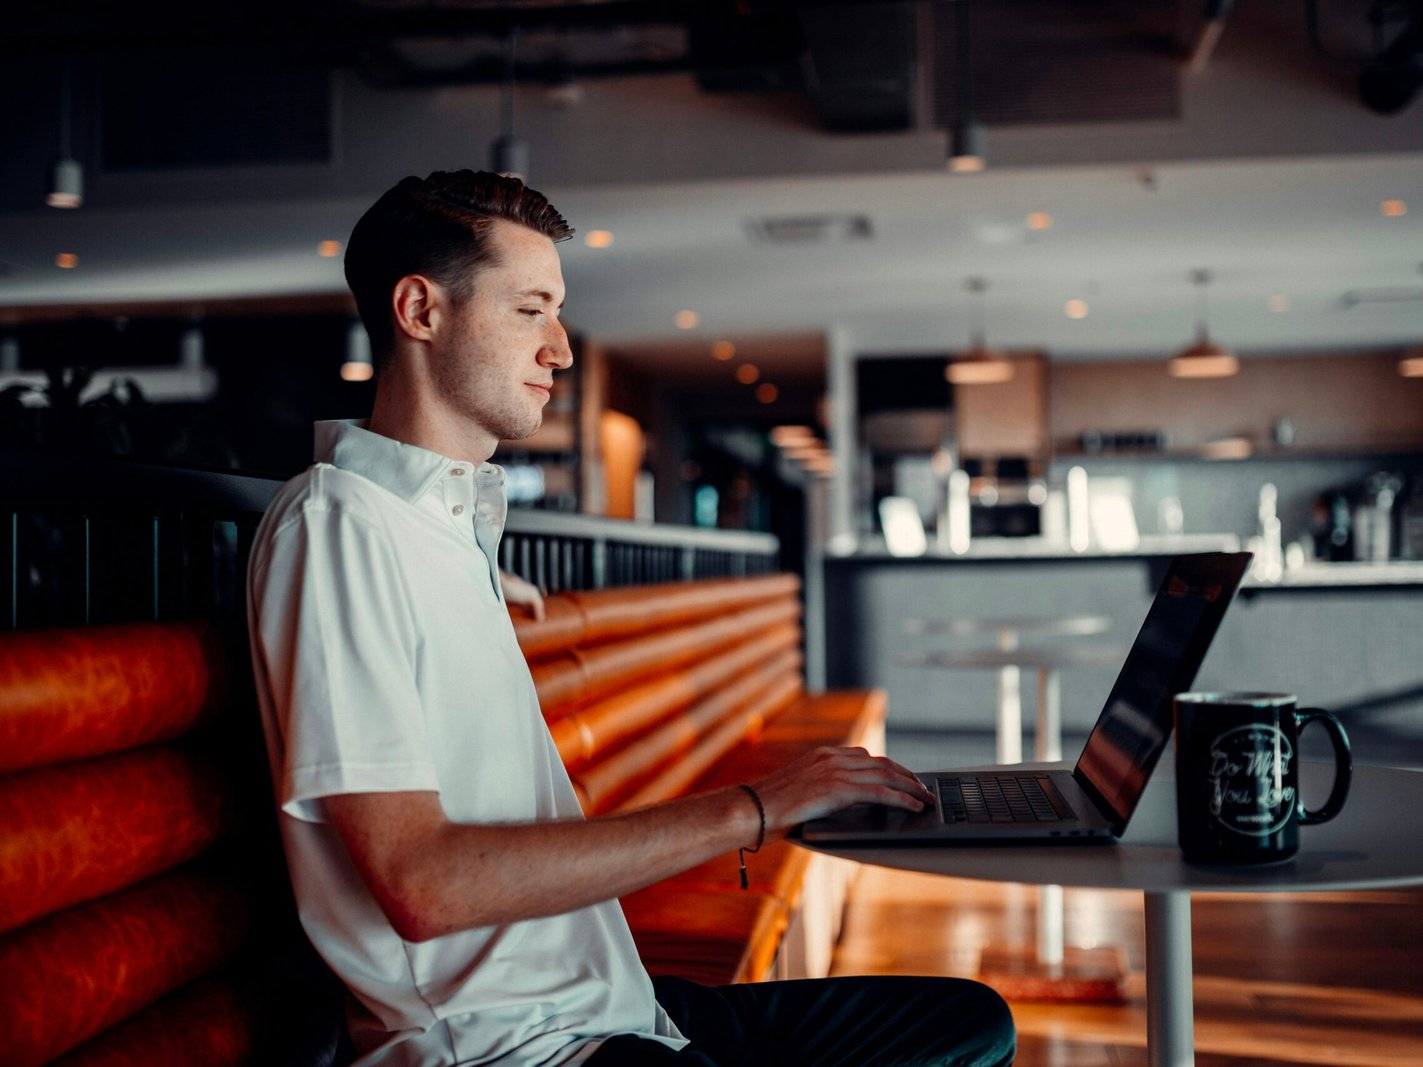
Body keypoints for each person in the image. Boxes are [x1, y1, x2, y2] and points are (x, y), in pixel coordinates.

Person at [246, 170, 1015, 1067]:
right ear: (421, 310)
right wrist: (757, 807)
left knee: (971, 1022)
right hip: (515, 1049)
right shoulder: (338, 525)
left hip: (618, 1001)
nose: (561, 350)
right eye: (531, 310)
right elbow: (423, 884)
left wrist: (489, 575)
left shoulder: (438, 529)